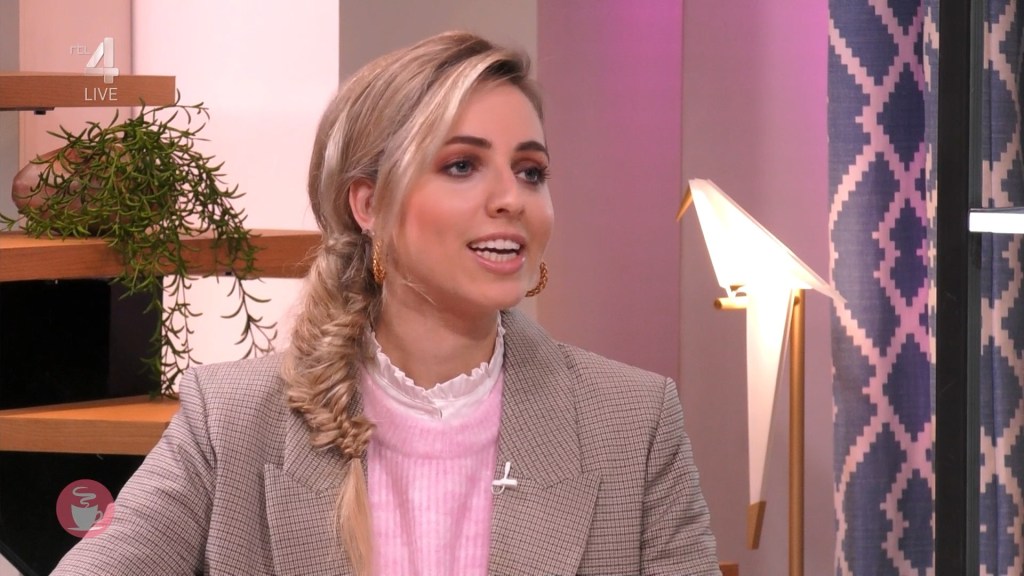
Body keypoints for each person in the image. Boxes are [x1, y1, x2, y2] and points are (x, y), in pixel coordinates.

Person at [53, 31, 720, 575]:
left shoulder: (634, 422)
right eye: (462, 165)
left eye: (531, 171)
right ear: (369, 204)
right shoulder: (230, 420)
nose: (511, 199)